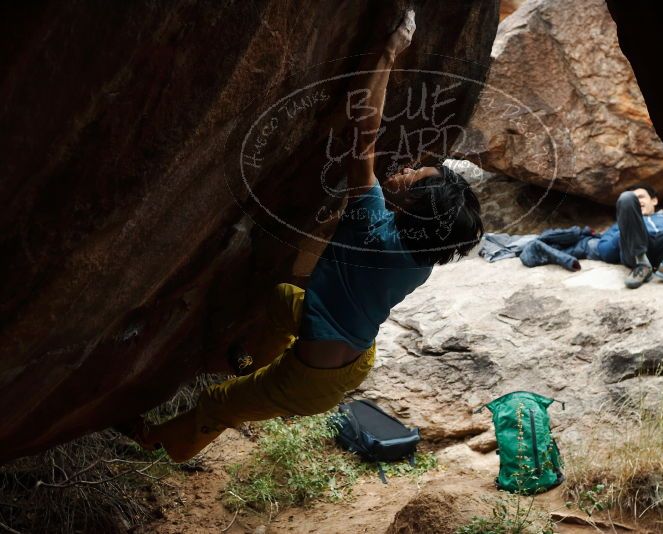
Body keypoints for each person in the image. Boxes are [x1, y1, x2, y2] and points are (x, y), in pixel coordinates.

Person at [117, 11, 485, 462]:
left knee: (220, 402)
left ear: (411, 208)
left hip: (312, 378)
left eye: (413, 177)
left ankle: (159, 440)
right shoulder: (420, 259)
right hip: (350, 355)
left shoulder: (372, 223)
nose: (406, 169)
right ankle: (255, 354)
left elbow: (363, 137)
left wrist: (387, 54)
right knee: (280, 300)